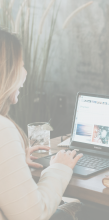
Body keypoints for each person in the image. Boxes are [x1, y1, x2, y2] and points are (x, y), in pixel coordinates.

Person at [0, 29, 83, 220]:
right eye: (21, 65)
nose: (25, 73)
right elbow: (33, 216)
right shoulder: (3, 129)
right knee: (79, 207)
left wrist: (14, 161)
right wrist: (59, 168)